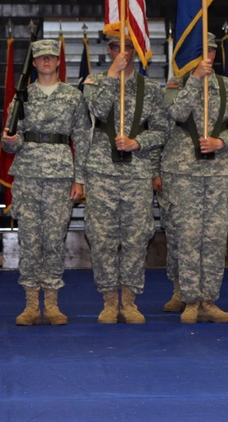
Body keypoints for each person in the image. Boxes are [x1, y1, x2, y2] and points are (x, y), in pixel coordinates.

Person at [161, 33, 228, 323]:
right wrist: (195, 80)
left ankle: (209, 300)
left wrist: (222, 142)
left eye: (211, 51)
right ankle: (188, 300)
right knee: (187, 237)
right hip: (183, 172)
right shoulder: (176, 85)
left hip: (218, 173)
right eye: (201, 52)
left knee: (213, 239)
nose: (207, 56)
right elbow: (175, 113)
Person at [1, 39, 91, 326]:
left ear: (58, 61)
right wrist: (10, 142)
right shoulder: (22, 97)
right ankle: (30, 305)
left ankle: (51, 304)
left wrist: (80, 179)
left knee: (54, 239)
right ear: (36, 63)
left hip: (60, 177)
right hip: (27, 175)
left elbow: (83, 138)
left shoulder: (72, 96)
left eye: (52, 57)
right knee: (29, 240)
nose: (47, 61)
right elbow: (10, 143)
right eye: (41, 58)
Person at [81, 36, 169, 324]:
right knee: (103, 238)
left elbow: (162, 131)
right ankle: (109, 301)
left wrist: (138, 142)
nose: (124, 53)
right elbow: (97, 111)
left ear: (136, 51)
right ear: (110, 51)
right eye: (118, 47)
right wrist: (111, 76)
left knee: (135, 238)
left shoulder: (150, 90)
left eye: (129, 48)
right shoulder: (94, 83)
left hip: (136, 172)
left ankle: (129, 301)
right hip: (102, 172)